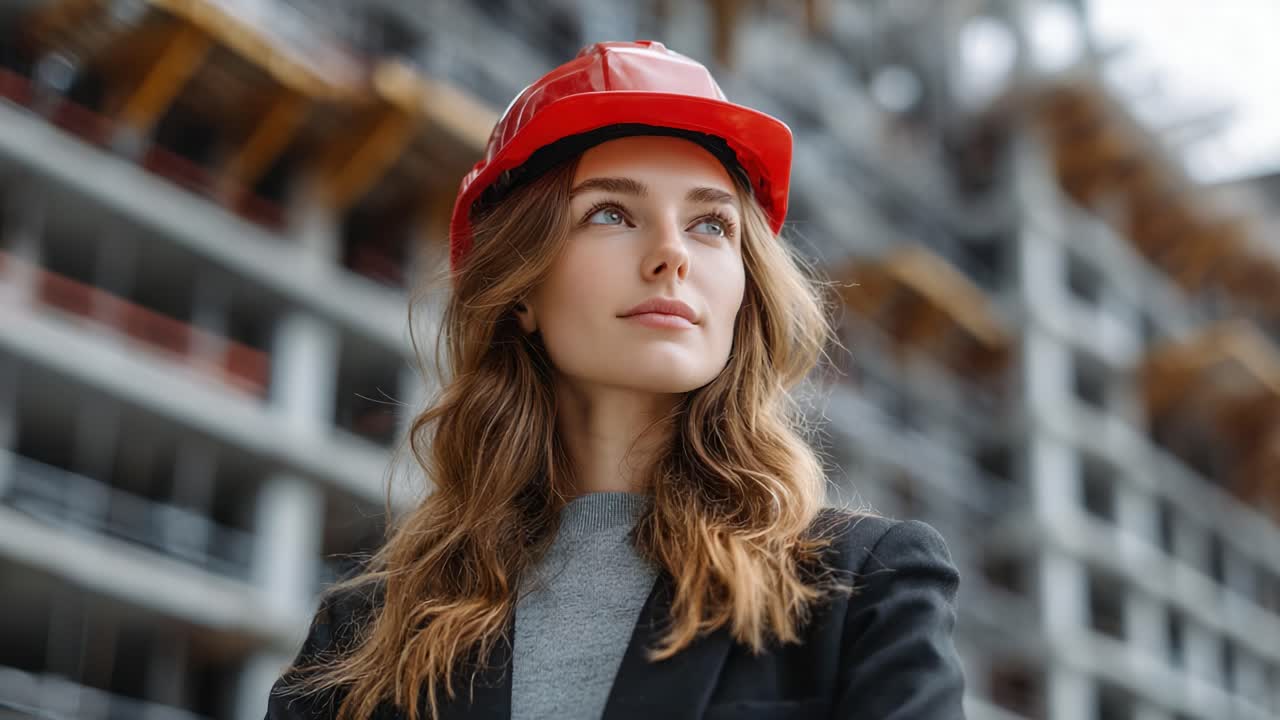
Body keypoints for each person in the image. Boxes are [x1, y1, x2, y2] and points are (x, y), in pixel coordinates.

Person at [265, 40, 966, 720]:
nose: (671, 255)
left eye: (711, 225)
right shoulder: (365, 636)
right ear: (521, 291)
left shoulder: (864, 587)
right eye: (611, 213)